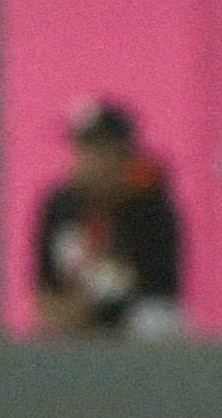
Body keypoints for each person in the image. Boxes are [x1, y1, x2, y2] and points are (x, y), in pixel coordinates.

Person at [33, 99, 184, 338]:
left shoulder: (148, 204)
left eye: (99, 149)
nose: (87, 159)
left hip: (134, 328)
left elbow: (144, 284)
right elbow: (44, 284)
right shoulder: (61, 203)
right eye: (82, 148)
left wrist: (82, 307)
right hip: (70, 331)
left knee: (156, 322)